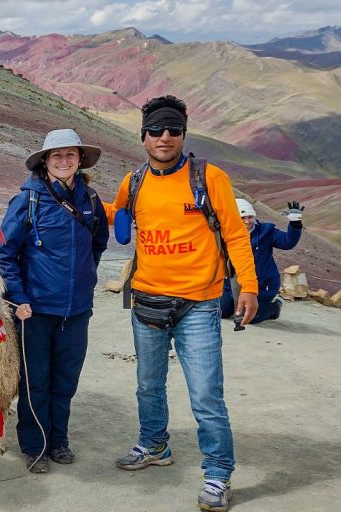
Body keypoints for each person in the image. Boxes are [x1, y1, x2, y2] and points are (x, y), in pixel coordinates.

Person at [110, 96, 258, 512]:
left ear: (183, 135)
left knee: (206, 394)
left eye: (173, 130)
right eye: (156, 130)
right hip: (147, 301)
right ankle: (155, 445)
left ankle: (218, 474)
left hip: (199, 304)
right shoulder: (133, 181)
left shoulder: (210, 179)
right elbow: (116, 215)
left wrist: (249, 285)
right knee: (148, 385)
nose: (165, 137)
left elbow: (235, 235)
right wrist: (66, 202)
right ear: (143, 137)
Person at [0, 129, 109, 473]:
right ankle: (36, 446)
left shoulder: (90, 199)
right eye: (56, 155)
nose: (63, 161)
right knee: (36, 381)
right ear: (45, 161)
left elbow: (98, 243)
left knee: (65, 381)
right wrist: (18, 297)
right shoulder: (26, 201)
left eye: (70, 155)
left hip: (76, 311)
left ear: (79, 159)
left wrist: (84, 280)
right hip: (35, 312)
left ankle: (59, 440)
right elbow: (5, 254)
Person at [220, 198, 304, 323]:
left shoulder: (266, 231)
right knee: (221, 311)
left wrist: (295, 224)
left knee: (248, 317)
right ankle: (237, 303)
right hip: (232, 285)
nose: (247, 221)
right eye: (242, 218)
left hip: (263, 285)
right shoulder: (225, 233)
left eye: (250, 217)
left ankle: (275, 307)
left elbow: (287, 242)